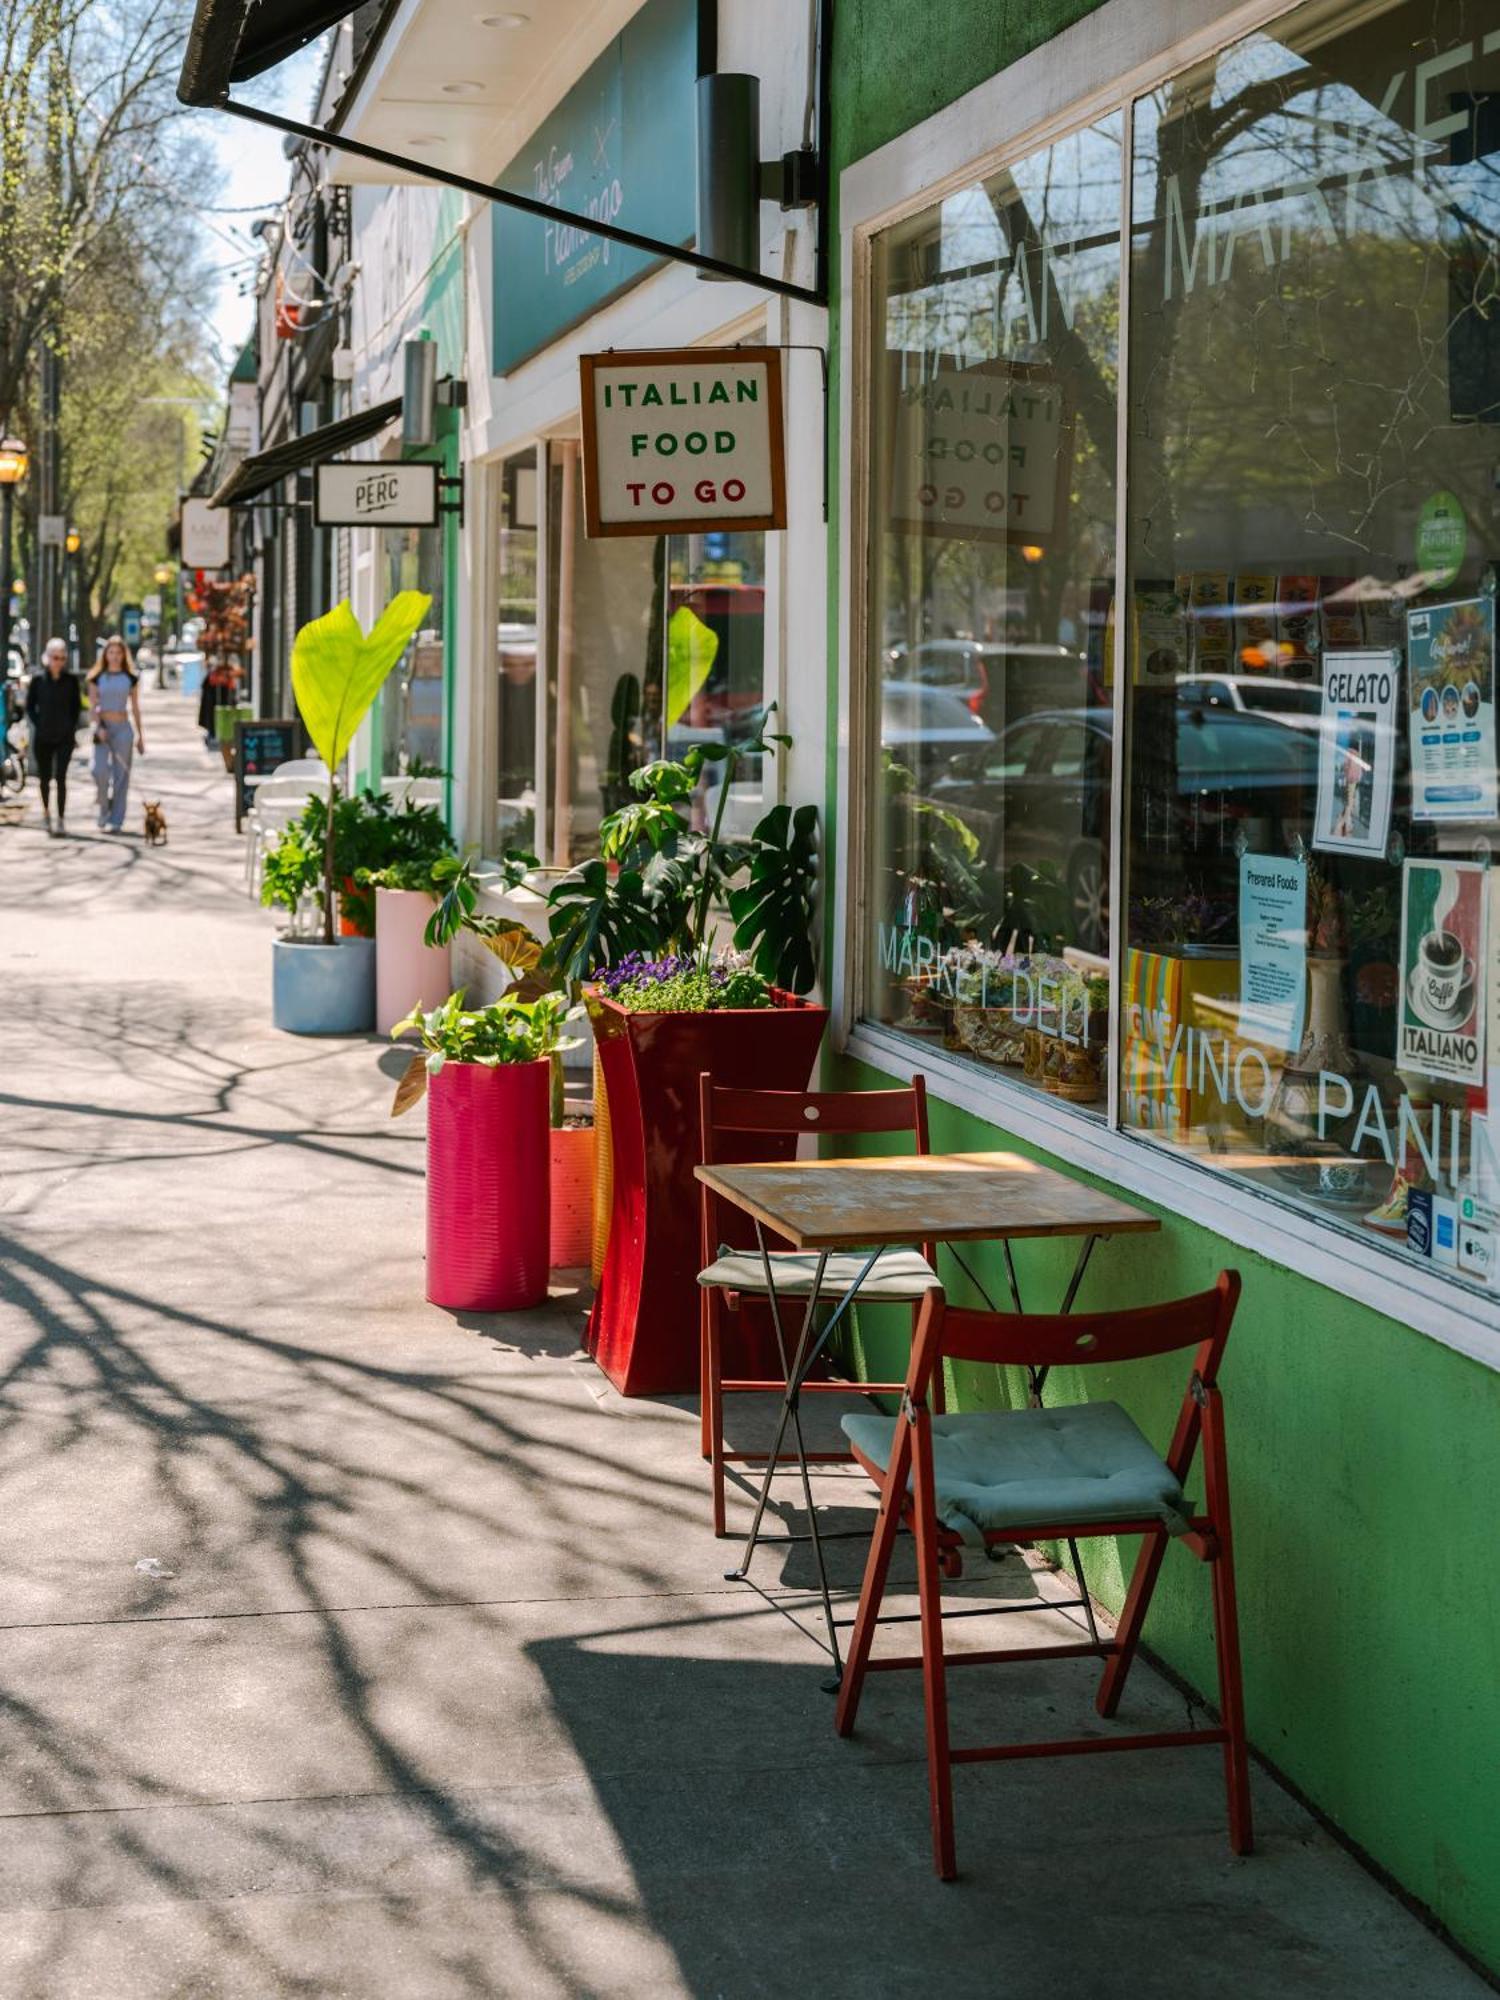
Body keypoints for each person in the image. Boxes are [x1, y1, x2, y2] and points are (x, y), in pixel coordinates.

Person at [85, 635, 146, 833]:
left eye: (118, 653)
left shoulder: (130, 678)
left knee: (122, 775)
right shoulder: (96, 677)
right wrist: (98, 727)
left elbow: (136, 707)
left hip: (123, 729)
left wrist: (140, 736)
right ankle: (103, 808)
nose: (114, 656)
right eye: (111, 652)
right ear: (105, 654)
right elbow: (92, 707)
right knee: (98, 770)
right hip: (103, 728)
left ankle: (117, 819)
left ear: (123, 655)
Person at [25, 637, 83, 836]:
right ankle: (46, 813)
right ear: (47, 658)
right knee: (44, 778)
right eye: (55, 657)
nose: (58, 661)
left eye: (62, 657)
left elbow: (76, 708)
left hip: (65, 737)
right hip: (43, 737)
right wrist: (38, 723)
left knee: (61, 778)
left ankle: (61, 819)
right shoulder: (38, 680)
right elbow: (30, 706)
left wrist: (71, 727)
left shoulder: (71, 681)